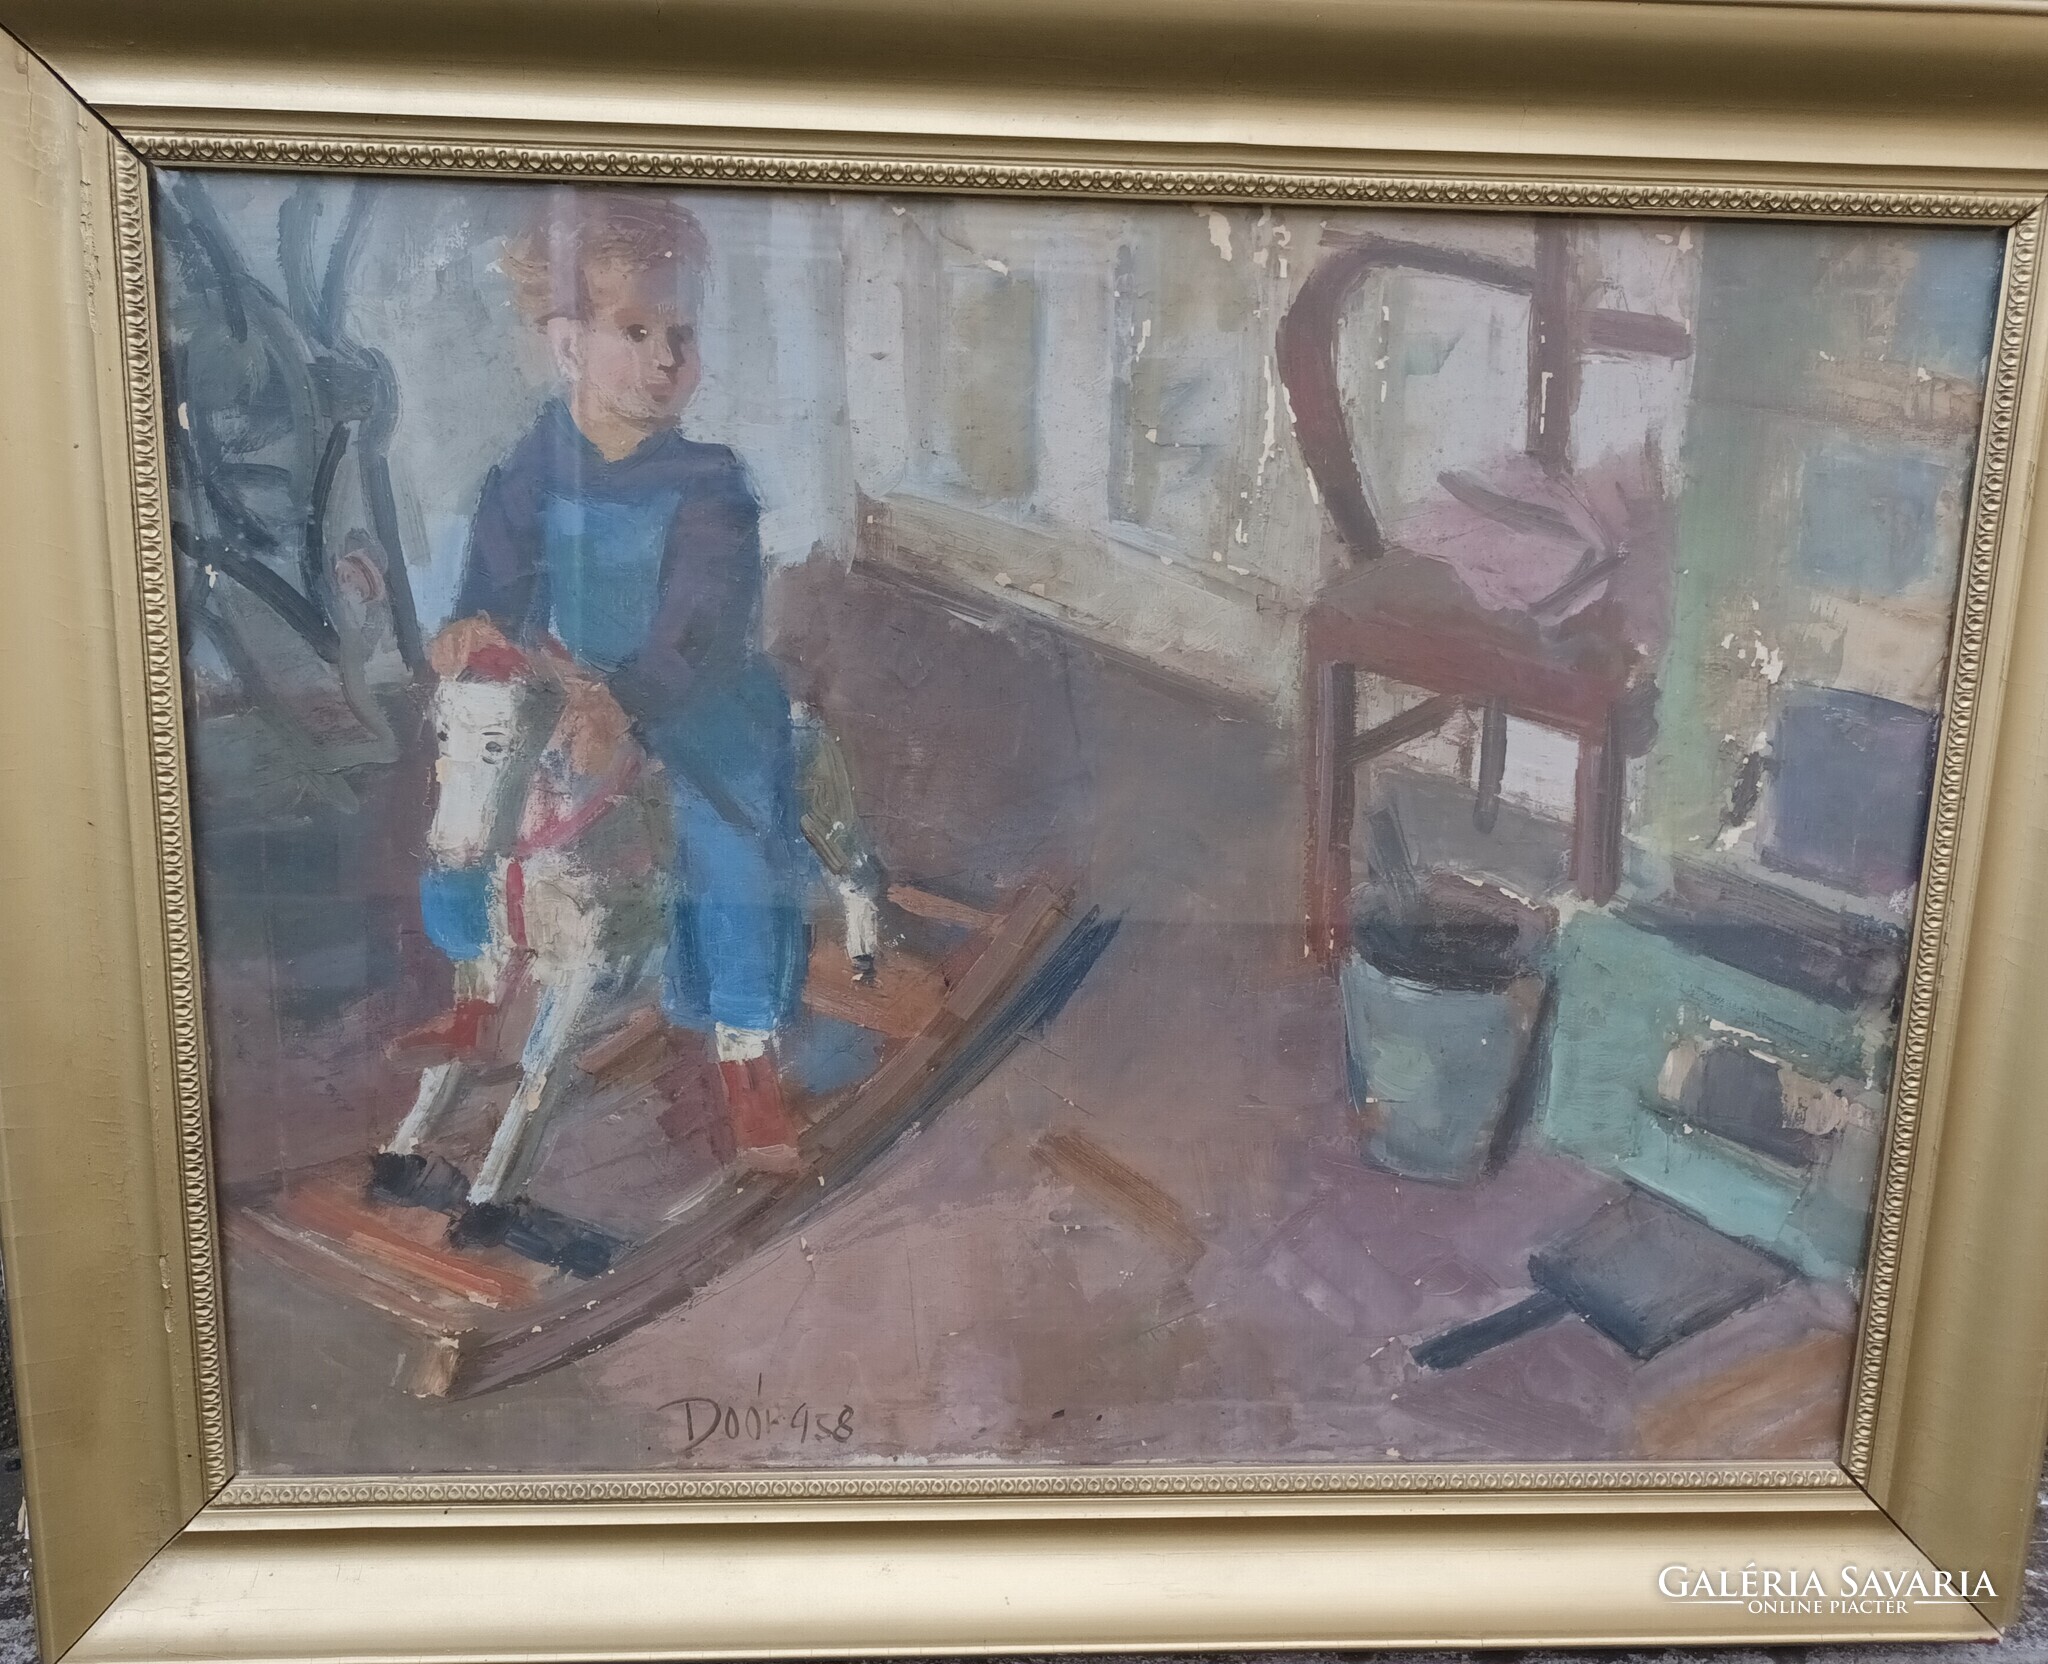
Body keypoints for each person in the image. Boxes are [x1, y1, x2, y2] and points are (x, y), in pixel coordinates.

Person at [432, 189, 809, 1176]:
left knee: (730, 835)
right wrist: (474, 627)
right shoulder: (528, 469)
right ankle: (475, 987)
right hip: (576, 688)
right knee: (474, 796)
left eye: (682, 333)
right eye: (636, 331)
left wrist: (627, 703)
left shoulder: (711, 482)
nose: (667, 357)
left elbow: (698, 628)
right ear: (567, 346)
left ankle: (745, 1046)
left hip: (694, 700)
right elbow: (499, 585)